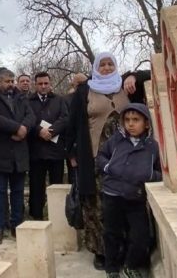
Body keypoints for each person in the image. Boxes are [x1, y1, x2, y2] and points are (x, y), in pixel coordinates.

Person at [65, 52, 140, 270]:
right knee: (97, 205)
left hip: (128, 158)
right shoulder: (84, 90)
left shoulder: (126, 86)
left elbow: (149, 75)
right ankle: (101, 251)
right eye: (102, 65)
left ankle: (125, 248)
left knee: (126, 203)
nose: (106, 68)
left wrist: (134, 75)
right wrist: (71, 154)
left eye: (110, 64)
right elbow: (73, 123)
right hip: (95, 158)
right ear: (96, 68)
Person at [96, 103, 161, 278]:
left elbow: (161, 172)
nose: (131, 124)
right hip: (112, 194)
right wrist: (108, 167)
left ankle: (131, 264)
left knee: (140, 236)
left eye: (136, 120)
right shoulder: (116, 140)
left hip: (136, 197)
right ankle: (111, 268)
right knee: (112, 233)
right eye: (127, 120)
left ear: (146, 123)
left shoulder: (152, 146)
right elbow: (101, 156)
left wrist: (149, 175)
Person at [0, 68, 35, 245]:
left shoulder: (20, 97)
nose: (11, 84)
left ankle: (17, 225)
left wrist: (24, 129)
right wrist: (16, 128)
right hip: (0, 151)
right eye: (7, 81)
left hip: (19, 152)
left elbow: (30, 115)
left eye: (12, 81)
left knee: (18, 192)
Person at [27, 72, 69, 220]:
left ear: (50, 83)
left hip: (55, 150)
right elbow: (27, 119)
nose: (43, 86)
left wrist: (51, 131)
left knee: (56, 185)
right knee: (36, 186)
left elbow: (64, 118)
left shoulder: (59, 99)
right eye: (40, 84)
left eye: (46, 83)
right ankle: (37, 217)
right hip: (36, 150)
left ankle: (57, 218)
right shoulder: (28, 101)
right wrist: (39, 131)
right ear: (35, 84)